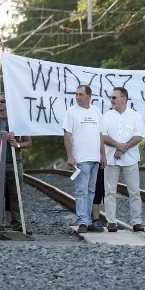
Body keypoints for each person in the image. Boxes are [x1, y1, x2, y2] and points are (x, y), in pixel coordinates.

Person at [101, 87, 145, 232]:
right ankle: (111, 221)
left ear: (124, 99)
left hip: (131, 159)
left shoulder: (135, 116)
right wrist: (117, 146)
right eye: (111, 97)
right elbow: (103, 135)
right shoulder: (106, 116)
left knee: (134, 191)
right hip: (111, 159)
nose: (111, 100)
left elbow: (139, 135)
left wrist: (123, 148)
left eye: (114, 97)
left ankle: (136, 221)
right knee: (109, 191)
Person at [63, 85, 106, 233]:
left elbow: (101, 134)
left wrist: (103, 155)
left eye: (81, 94)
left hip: (95, 157)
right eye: (76, 94)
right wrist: (70, 155)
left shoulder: (96, 111)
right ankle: (82, 220)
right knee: (81, 190)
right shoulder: (71, 111)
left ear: (89, 96)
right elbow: (67, 134)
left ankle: (87, 219)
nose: (77, 97)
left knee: (91, 190)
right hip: (81, 157)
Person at [0, 92, 32, 231]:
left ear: (7, 103)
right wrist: (2, 139)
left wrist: (17, 144)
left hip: (15, 161)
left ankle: (18, 225)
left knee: (16, 195)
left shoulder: (16, 120)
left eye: (2, 101)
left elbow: (28, 142)